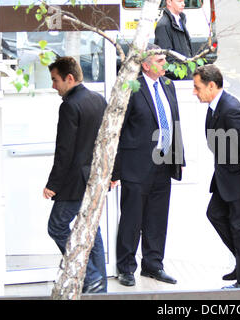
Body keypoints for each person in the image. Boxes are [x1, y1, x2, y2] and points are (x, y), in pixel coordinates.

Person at [112, 44, 185, 287]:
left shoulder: (167, 85)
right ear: (145, 64)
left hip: (163, 162)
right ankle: (126, 267)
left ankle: (153, 265)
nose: (165, 63)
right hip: (137, 164)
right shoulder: (132, 87)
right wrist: (116, 168)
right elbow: (118, 130)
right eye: (160, 60)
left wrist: (178, 158)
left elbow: (174, 122)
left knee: (157, 218)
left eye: (165, 59)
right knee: (132, 219)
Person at [192, 65, 240, 289]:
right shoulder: (214, 106)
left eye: (197, 88)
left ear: (212, 86)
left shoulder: (231, 110)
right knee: (215, 214)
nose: (194, 92)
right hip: (226, 176)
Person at [44, 56, 107, 294]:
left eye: (55, 80)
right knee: (93, 230)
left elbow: (65, 150)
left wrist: (53, 184)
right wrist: (113, 172)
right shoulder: (98, 99)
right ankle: (99, 285)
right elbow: (110, 138)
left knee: (57, 226)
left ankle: (90, 276)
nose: (53, 86)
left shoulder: (69, 105)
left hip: (73, 182)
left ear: (69, 78)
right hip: (94, 179)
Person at [154, 0, 193, 80]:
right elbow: (165, 58)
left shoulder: (181, 20)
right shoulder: (163, 25)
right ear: (169, 2)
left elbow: (187, 50)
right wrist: (182, 75)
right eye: (179, 1)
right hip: (176, 80)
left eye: (183, 1)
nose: (183, 4)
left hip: (188, 75)